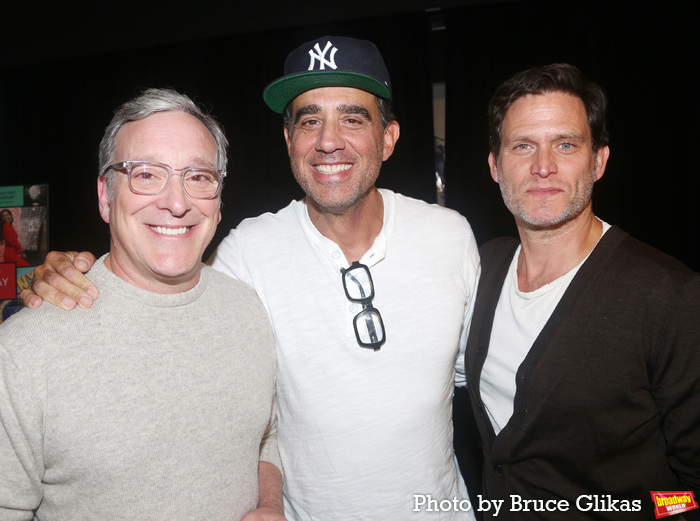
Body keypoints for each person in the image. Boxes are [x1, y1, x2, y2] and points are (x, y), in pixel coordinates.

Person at [20, 36, 481, 520]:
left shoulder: (449, 237)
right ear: (289, 141)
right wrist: (73, 273)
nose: (328, 140)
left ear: (388, 137)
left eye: (352, 118)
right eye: (308, 120)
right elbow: (157, 291)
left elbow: (489, 380)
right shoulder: (246, 252)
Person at [0, 88, 285, 520]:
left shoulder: (248, 309)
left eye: (198, 176)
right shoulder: (23, 352)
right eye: (147, 174)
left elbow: (265, 434)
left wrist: (268, 504)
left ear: (219, 198)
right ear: (105, 196)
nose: (176, 202)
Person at [463, 63, 700, 520]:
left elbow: (693, 489)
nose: (543, 166)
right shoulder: (484, 266)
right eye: (523, 145)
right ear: (495, 166)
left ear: (599, 161)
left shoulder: (670, 298)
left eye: (566, 145)